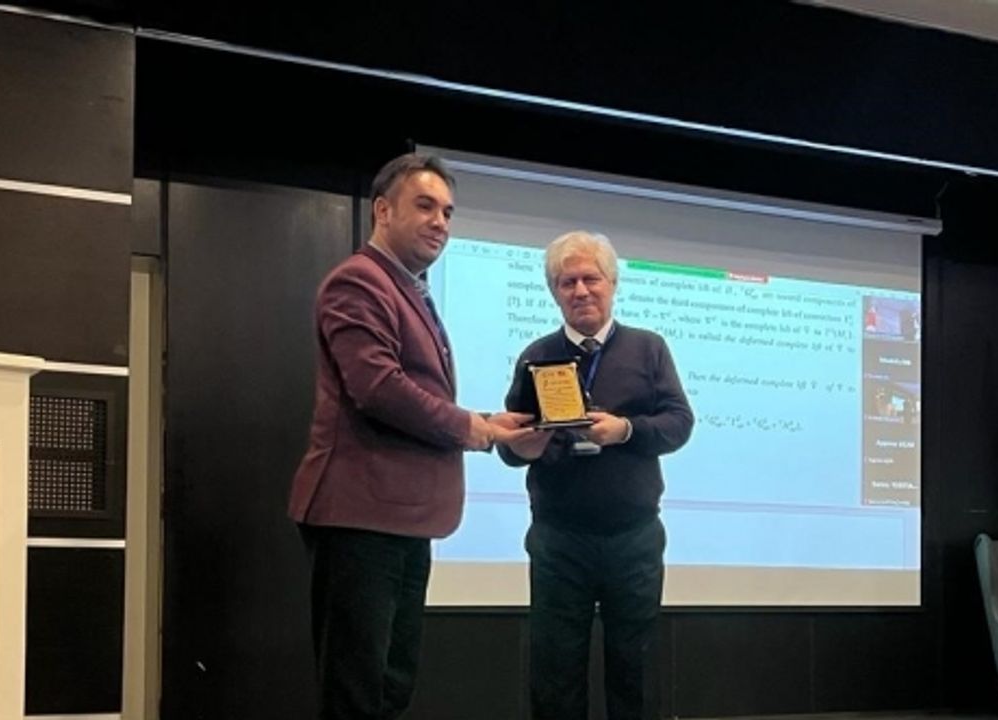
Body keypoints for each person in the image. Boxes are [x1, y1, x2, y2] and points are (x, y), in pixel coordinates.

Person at [288, 152, 531, 720]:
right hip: (360, 515)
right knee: (357, 690)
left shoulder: (409, 288)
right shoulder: (359, 281)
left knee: (390, 686)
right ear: (382, 210)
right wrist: (470, 428)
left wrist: (488, 423)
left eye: (447, 212)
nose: (440, 222)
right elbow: (378, 388)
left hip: (399, 518)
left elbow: (414, 392)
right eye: (425, 206)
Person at [499, 231, 694, 720]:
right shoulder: (536, 356)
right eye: (568, 282)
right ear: (554, 291)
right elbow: (510, 446)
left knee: (636, 672)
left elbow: (679, 423)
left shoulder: (649, 348)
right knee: (555, 673)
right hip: (559, 540)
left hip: (634, 538)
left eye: (591, 279)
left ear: (612, 284)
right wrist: (522, 447)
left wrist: (624, 430)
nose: (581, 290)